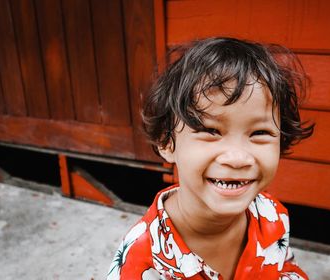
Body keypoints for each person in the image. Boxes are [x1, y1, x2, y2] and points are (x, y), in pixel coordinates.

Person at [107, 37, 313, 280]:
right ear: (167, 142)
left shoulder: (272, 215)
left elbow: (284, 270)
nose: (238, 158)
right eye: (210, 131)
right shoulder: (144, 263)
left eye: (259, 133)